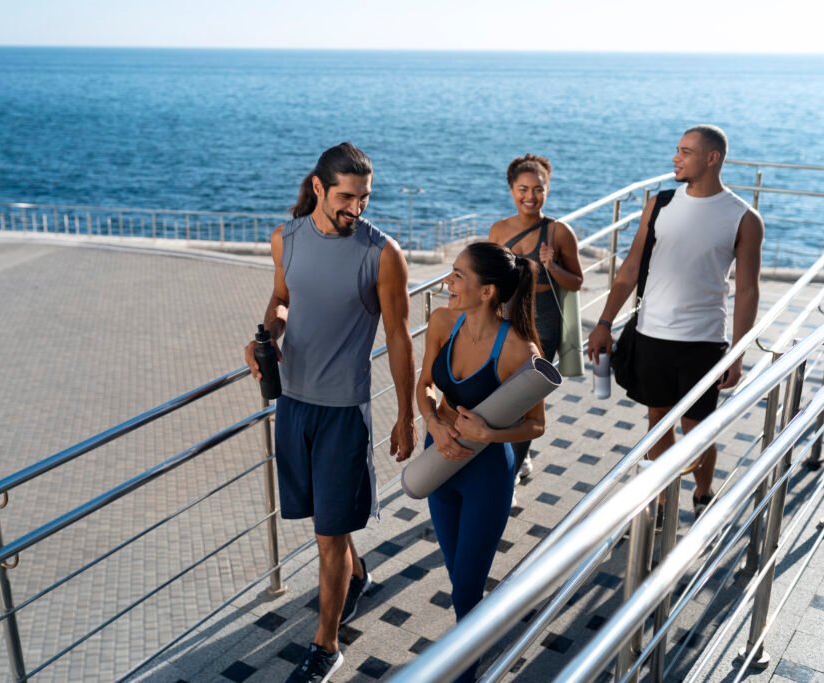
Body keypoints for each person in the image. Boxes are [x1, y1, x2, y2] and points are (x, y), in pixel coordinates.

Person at [244, 142, 417, 683]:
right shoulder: (285, 239)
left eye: (365, 198)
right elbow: (280, 299)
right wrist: (264, 336)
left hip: (344, 412)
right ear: (319, 188)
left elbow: (398, 337)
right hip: (293, 406)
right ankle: (356, 571)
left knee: (327, 537)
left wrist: (406, 416)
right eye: (347, 197)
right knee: (327, 529)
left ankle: (326, 644)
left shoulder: (381, 253)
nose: (357, 208)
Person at [587, 125, 764, 519]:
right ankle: (664, 500)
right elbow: (630, 267)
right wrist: (603, 322)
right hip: (651, 335)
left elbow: (748, 292)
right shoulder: (660, 203)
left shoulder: (743, 219)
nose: (675, 157)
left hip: (703, 341)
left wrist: (737, 352)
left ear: (711, 158)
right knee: (656, 418)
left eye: (685, 151)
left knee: (697, 428)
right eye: (677, 150)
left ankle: (702, 492)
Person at [416, 242, 546, 682]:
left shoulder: (518, 350)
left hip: (486, 476)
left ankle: (465, 674)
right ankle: (474, 643)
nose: (447, 283)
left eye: (457, 275)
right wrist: (433, 422)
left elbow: (535, 426)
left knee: (467, 587)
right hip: (439, 464)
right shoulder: (441, 321)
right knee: (460, 582)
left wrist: (490, 434)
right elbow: (425, 385)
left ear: (487, 291)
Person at [489, 154, 582, 483]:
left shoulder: (559, 232)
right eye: (523, 189)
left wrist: (553, 266)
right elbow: (489, 280)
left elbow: (577, 282)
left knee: (529, 396)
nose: (531, 196)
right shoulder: (498, 230)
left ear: (548, 189)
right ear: (511, 189)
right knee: (501, 393)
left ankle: (512, 470)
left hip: (543, 319)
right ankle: (514, 456)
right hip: (506, 316)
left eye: (538, 189)